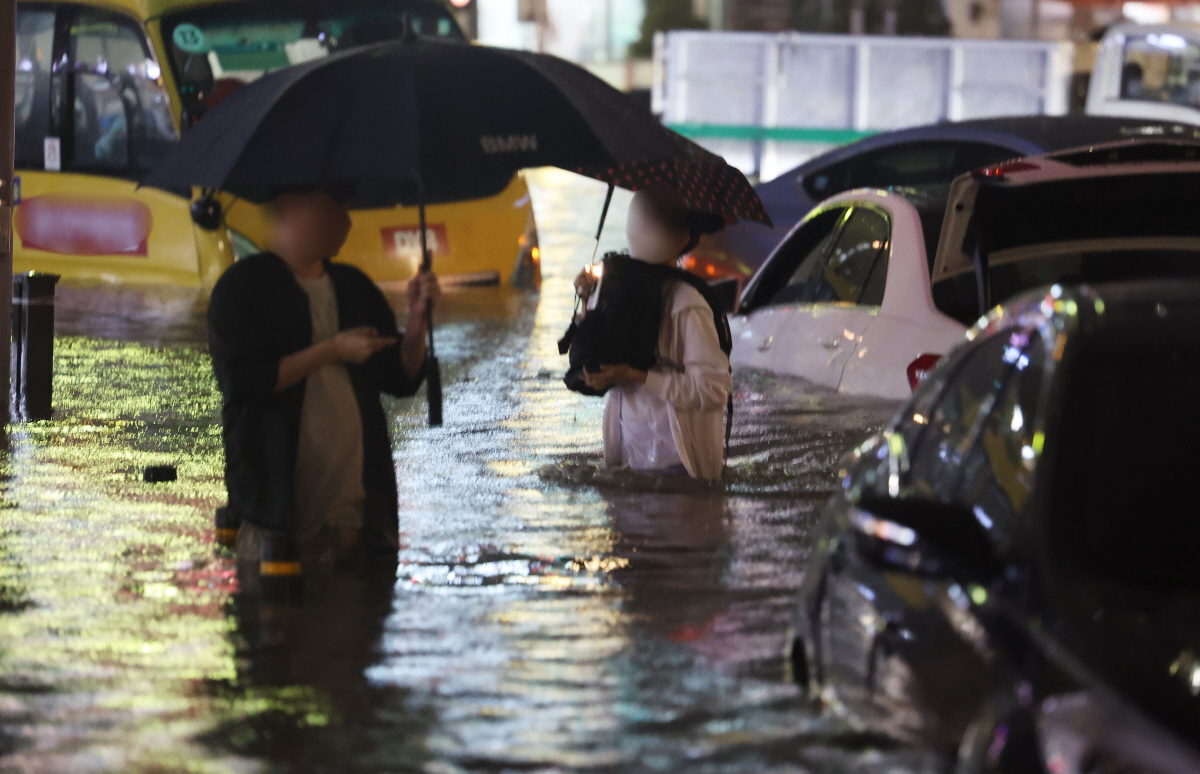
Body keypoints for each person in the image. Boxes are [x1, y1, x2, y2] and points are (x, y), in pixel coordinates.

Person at [208, 187, 440, 571]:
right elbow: (243, 381)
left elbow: (400, 376)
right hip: (276, 520)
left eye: (347, 205)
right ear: (290, 205)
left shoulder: (355, 287)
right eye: (333, 205)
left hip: (357, 516)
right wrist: (331, 351)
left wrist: (417, 319)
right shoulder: (241, 289)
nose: (346, 219)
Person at [573, 185, 733, 480]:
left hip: (680, 462)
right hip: (629, 461)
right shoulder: (613, 293)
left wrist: (636, 375)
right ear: (685, 237)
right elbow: (593, 357)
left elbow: (713, 389)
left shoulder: (686, 302)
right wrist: (585, 299)